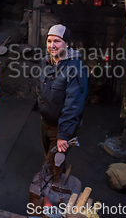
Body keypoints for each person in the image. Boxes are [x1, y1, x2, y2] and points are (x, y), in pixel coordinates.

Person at [38, 24, 88, 158]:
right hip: (45, 123)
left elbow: (74, 105)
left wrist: (63, 135)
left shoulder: (76, 68)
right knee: (48, 158)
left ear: (66, 43)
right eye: (49, 41)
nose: (52, 45)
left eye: (57, 41)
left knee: (53, 166)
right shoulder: (46, 61)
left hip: (59, 128)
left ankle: (56, 177)